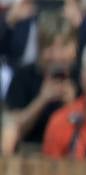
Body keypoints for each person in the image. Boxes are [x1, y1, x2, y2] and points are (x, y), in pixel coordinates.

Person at [2, 18, 78, 153]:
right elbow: (12, 126)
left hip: (72, 153)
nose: (56, 56)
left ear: (74, 48)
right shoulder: (24, 75)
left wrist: (71, 106)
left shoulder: (82, 76)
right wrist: (42, 99)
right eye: (49, 47)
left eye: (63, 47)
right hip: (29, 148)